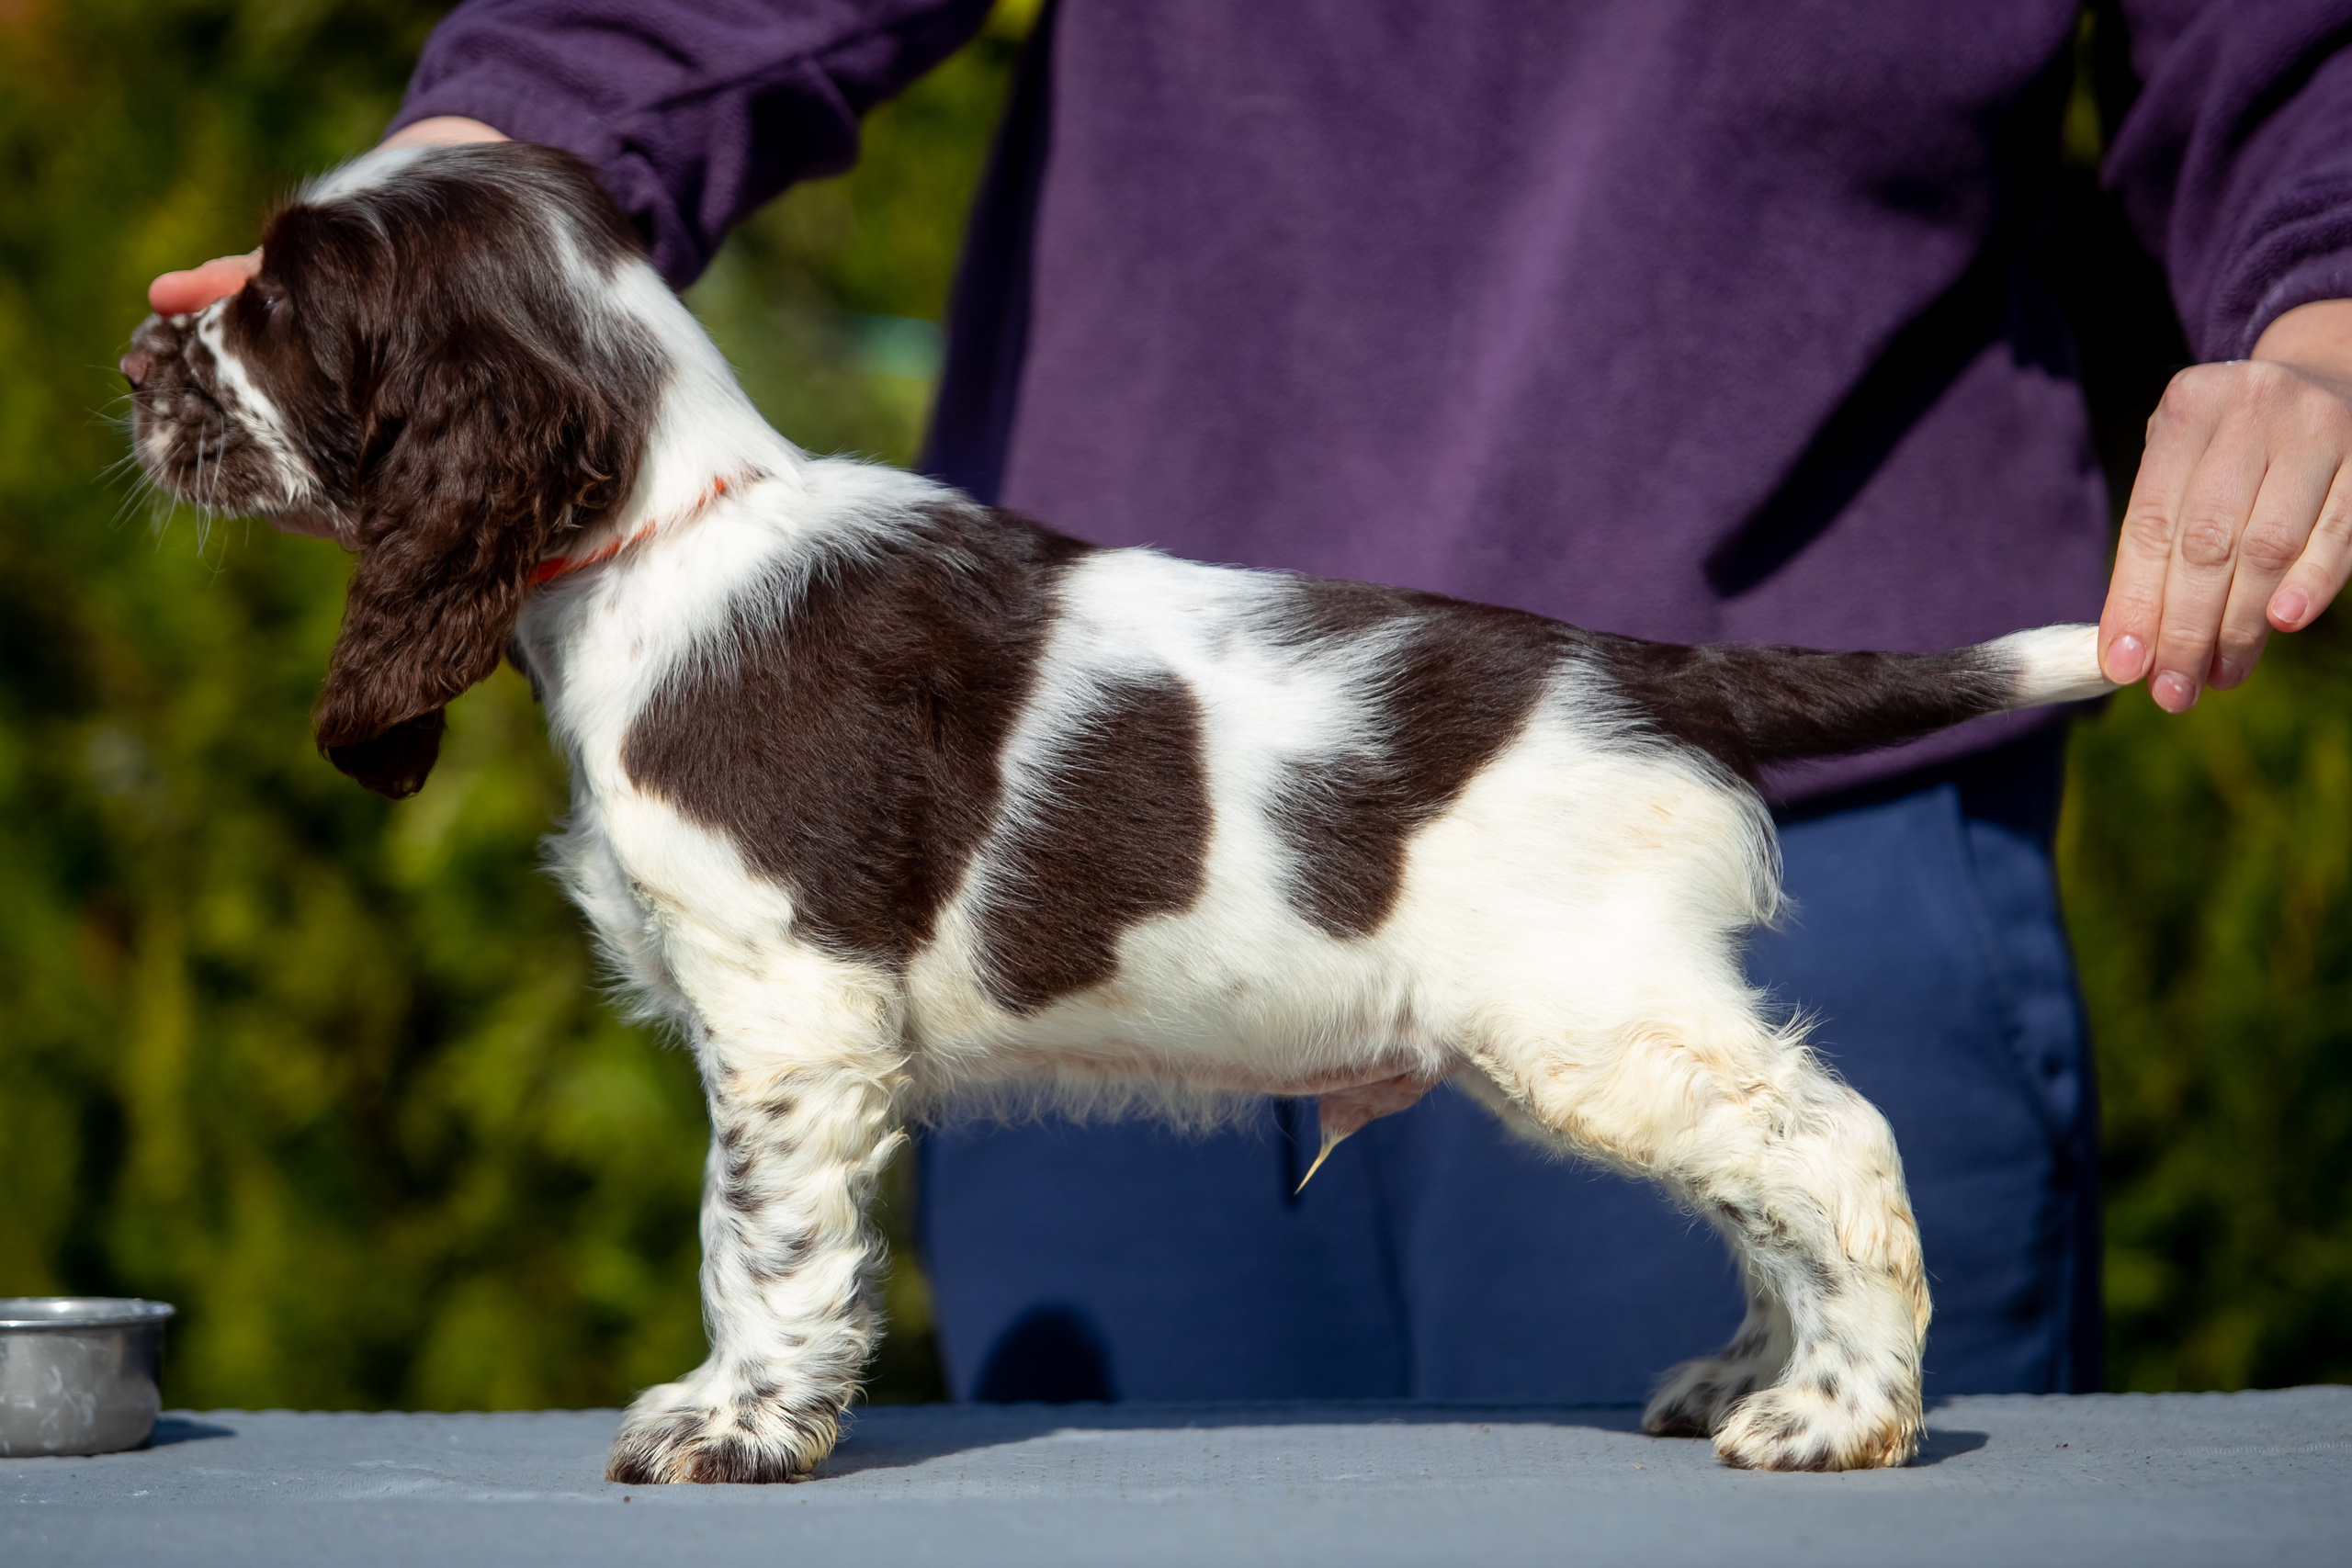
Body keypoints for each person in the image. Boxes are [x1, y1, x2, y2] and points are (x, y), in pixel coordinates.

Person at [153, 2, 2352, 1404]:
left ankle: (1836, 1308)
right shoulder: (731, 624)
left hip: (1679, 747)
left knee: (1674, 1125)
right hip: (1078, 850)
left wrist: (2320, 295)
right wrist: (486, 156)